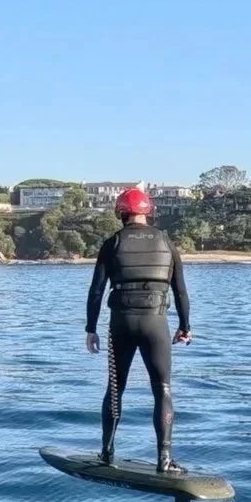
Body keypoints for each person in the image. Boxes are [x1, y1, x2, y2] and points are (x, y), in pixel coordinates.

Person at [85, 188, 192, 472]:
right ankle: (164, 461)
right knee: (163, 390)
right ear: (148, 212)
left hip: (121, 322)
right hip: (155, 322)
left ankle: (106, 454)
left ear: (121, 213)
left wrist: (91, 328)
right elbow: (180, 291)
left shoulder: (113, 242)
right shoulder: (166, 242)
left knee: (115, 389)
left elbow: (96, 291)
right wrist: (184, 326)